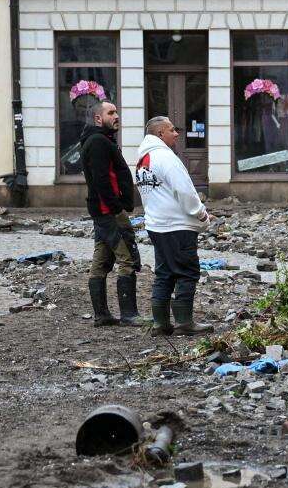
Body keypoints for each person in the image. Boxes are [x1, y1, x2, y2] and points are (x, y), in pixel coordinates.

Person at [132, 116, 210, 337]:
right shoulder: (166, 158)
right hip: (177, 225)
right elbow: (185, 190)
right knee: (187, 272)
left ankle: (161, 322)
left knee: (164, 273)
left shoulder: (143, 159)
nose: (176, 133)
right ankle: (184, 322)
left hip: (156, 225)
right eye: (172, 130)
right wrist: (201, 214)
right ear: (160, 134)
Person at [80, 100, 142, 327]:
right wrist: (117, 207)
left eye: (117, 112)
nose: (117, 116)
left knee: (102, 258)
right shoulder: (98, 142)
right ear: (98, 118)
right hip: (108, 211)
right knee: (127, 257)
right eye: (111, 113)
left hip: (103, 210)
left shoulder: (99, 140)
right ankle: (129, 314)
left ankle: (102, 315)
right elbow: (101, 180)